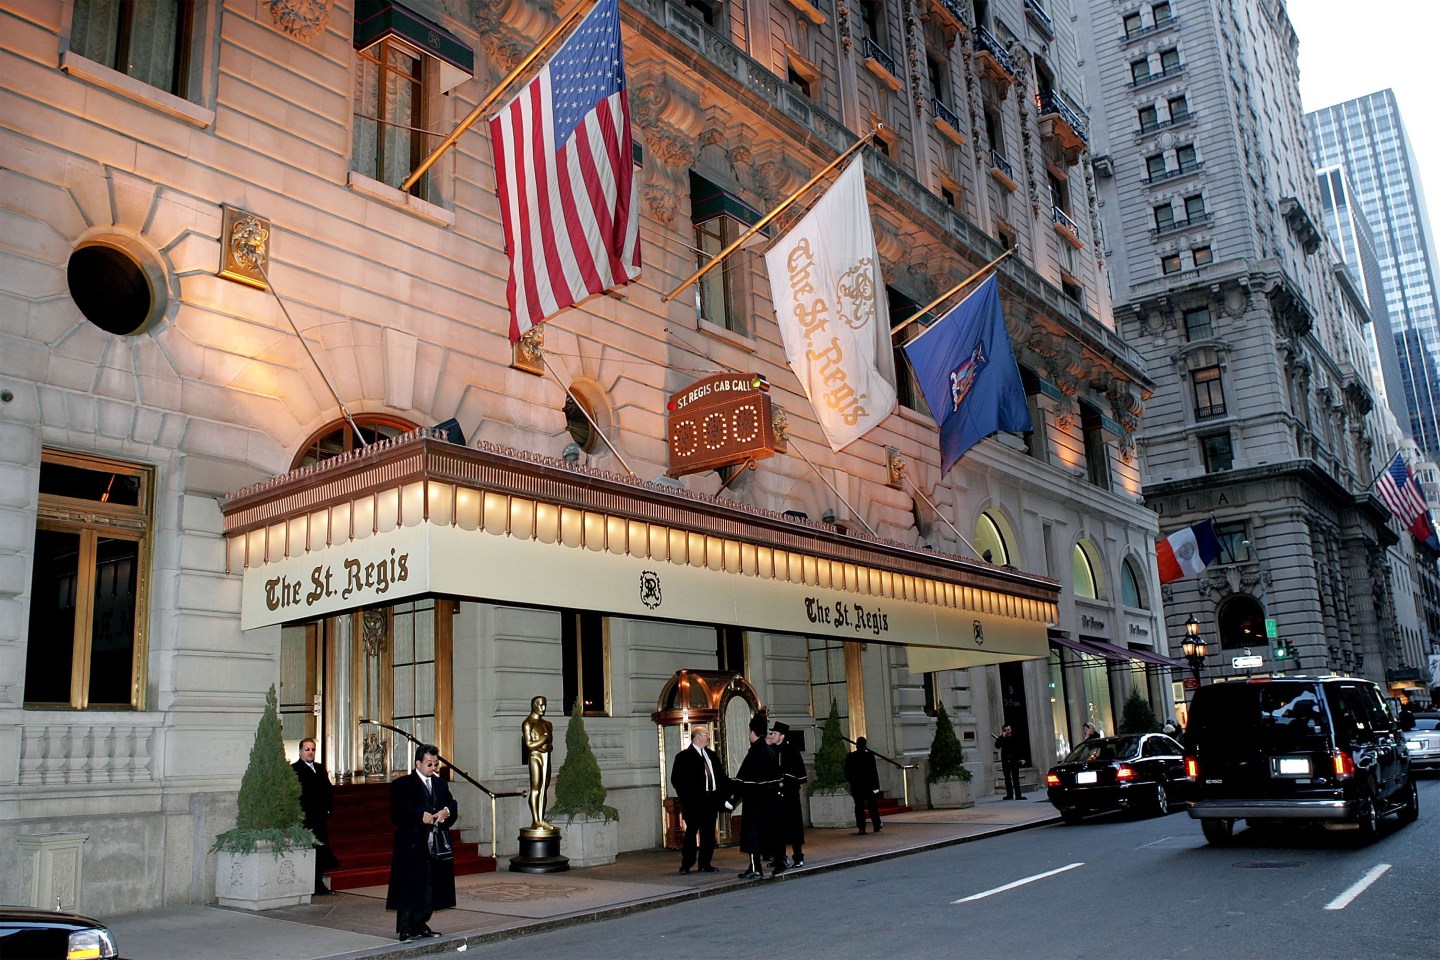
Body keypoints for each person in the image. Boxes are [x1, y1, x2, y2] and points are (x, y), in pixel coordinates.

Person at [386, 744, 458, 942]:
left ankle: (421, 923)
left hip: (434, 843)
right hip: (412, 843)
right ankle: (405, 927)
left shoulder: (440, 784)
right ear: (418, 763)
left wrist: (446, 812)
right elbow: (397, 812)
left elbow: (451, 803)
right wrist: (420, 815)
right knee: (409, 884)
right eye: (429, 764)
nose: (432, 768)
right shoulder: (403, 785)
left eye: (435, 764)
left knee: (430, 884)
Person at [670, 725, 726, 874]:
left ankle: (705, 863)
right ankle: (686, 864)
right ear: (697, 737)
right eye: (706, 734)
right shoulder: (683, 757)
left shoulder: (711, 755)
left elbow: (720, 777)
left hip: (710, 800)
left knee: (708, 834)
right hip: (694, 802)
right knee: (691, 832)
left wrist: (722, 796)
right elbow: (677, 780)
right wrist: (687, 797)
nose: (708, 737)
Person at [730, 714, 781, 880]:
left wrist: (731, 801)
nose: (748, 735)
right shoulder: (770, 751)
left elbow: (741, 780)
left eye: (749, 732)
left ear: (753, 732)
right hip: (769, 801)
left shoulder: (754, 753)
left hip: (754, 802)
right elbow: (777, 778)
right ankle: (779, 862)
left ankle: (754, 867)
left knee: (752, 835)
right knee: (769, 833)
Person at [291, 737, 338, 895]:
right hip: (307, 818)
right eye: (307, 749)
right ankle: (312, 885)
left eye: (312, 749)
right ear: (300, 751)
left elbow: (327, 789)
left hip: (320, 817)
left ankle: (318, 884)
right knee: (312, 850)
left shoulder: (320, 768)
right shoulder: (294, 769)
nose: (310, 752)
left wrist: (328, 809)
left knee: (321, 849)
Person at [768, 720, 807, 869]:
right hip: (775, 797)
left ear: (782, 736)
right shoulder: (771, 751)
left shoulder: (792, 751)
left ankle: (798, 857)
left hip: (790, 797)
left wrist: (784, 777)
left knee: (794, 827)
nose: (772, 736)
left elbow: (799, 776)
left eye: (775, 733)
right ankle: (780, 857)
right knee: (778, 829)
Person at [522, 696, 555, 832]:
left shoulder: (547, 724)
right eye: (540, 705)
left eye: (545, 705)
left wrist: (546, 746)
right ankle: (536, 820)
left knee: (544, 788)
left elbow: (549, 745)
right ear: (534, 705)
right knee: (536, 787)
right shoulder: (528, 723)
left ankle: (541, 817)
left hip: (546, 756)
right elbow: (529, 745)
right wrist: (544, 739)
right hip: (535, 757)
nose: (543, 708)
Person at [843, 736, 882, 835]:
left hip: (857, 786)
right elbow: (874, 772)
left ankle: (861, 827)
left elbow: (847, 772)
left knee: (859, 807)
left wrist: (852, 782)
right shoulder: (869, 756)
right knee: (872, 806)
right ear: (865, 745)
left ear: (856, 745)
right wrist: (876, 786)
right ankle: (876, 825)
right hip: (868, 785)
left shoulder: (851, 756)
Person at [992, 724, 1026, 800]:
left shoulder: (1015, 737)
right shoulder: (1002, 738)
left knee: (1015, 778)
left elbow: (1019, 748)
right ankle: (1009, 795)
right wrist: (1002, 737)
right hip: (1006, 761)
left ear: (1011, 730)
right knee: (1007, 779)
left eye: (1008, 730)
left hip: (1014, 760)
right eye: (1006, 730)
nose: (1007, 731)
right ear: (1003, 731)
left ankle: (1018, 795)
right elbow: (997, 745)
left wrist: (1021, 758)